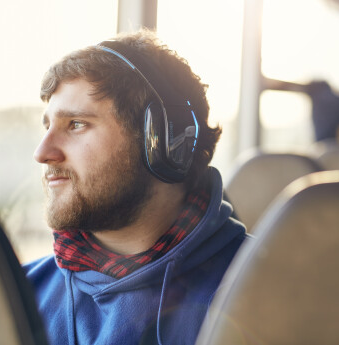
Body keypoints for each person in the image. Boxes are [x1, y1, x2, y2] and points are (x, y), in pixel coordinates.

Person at [24, 29, 247, 345]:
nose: (42, 153)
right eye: (48, 126)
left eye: (76, 124)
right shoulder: (18, 293)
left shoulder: (267, 291)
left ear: (164, 143)